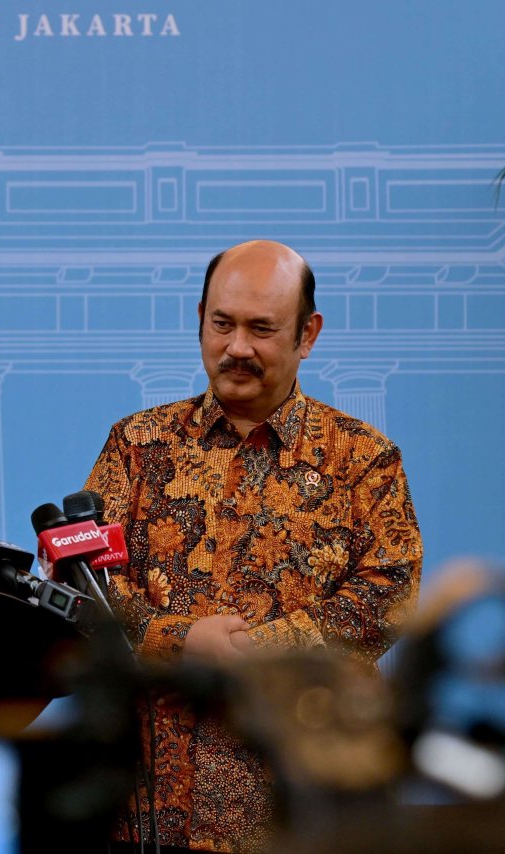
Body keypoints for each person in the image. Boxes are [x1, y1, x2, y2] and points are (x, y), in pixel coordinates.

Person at [85, 240, 421, 852]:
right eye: (222, 324)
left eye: (262, 329)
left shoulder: (364, 459)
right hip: (148, 798)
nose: (237, 348)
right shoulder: (135, 446)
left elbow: (389, 592)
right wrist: (180, 639)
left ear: (307, 334)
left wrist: (262, 650)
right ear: (200, 320)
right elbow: (85, 590)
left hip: (302, 795)